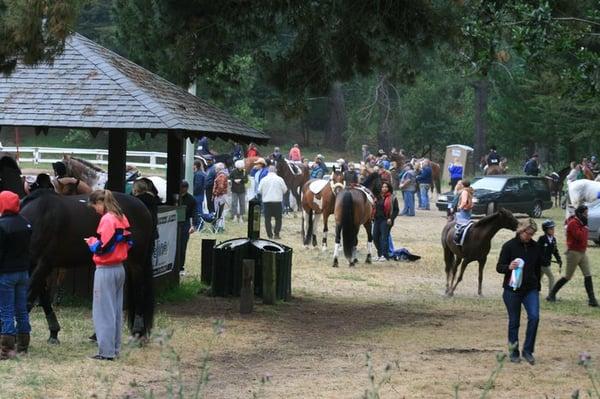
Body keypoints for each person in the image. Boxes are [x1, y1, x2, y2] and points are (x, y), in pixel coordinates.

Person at [85, 189, 132, 361]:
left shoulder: (106, 220)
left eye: (94, 206)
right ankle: (114, 348)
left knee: (104, 311)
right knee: (116, 310)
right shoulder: (121, 217)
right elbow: (128, 242)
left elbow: (103, 248)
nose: (95, 210)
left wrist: (91, 242)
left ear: (100, 203)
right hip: (119, 268)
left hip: (106, 269)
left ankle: (106, 352)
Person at [496, 218, 542, 365]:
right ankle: (514, 352)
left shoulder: (535, 247)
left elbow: (537, 268)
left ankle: (528, 351)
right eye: (528, 233)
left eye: (532, 234)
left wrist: (537, 286)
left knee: (534, 317)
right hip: (512, 290)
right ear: (521, 231)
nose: (530, 237)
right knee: (514, 322)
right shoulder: (509, 246)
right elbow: (499, 267)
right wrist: (508, 267)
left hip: (530, 289)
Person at [0, 191, 32, 359]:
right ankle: (23, 346)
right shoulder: (26, 223)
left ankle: (6, 350)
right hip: (23, 273)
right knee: (21, 310)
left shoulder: (2, 225)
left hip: (6, 275)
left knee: (5, 310)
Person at [547, 205, 598, 307]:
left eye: (587, 214)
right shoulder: (573, 223)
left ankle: (592, 300)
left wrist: (584, 226)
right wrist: (585, 227)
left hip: (582, 253)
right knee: (568, 276)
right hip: (573, 253)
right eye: (585, 214)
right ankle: (551, 294)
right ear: (579, 213)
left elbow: (584, 239)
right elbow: (579, 237)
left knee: (588, 275)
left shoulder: (581, 223)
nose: (587, 216)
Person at [258, 165, 288, 239]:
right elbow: (285, 190)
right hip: (277, 202)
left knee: (267, 219)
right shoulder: (280, 179)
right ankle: (276, 234)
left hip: (266, 202)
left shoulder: (263, 179)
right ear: (276, 171)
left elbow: (259, 190)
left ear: (268, 171)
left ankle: (270, 235)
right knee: (278, 219)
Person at [372, 182, 399, 262]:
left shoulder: (392, 198)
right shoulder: (378, 197)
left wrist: (391, 218)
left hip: (386, 220)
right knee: (375, 237)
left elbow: (396, 210)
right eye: (383, 187)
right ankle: (379, 254)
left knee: (384, 238)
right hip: (377, 220)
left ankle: (385, 255)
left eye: (386, 187)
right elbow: (374, 208)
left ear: (389, 188)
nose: (384, 188)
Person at [537, 219, 562, 297]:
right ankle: (551, 295)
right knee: (551, 277)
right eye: (551, 229)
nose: (553, 230)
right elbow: (537, 250)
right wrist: (542, 258)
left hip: (547, 262)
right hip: (541, 263)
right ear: (545, 230)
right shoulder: (542, 239)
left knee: (538, 278)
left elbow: (555, 251)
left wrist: (559, 259)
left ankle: (534, 291)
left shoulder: (553, 240)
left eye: (553, 228)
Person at [178, 181, 197, 275]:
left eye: (183, 188)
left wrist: (193, 225)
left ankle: (181, 267)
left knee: (182, 245)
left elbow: (194, 213)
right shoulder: (175, 196)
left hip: (185, 223)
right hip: (174, 222)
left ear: (186, 188)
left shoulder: (191, 199)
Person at [212, 163, 228, 231]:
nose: (215, 169)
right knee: (220, 212)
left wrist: (215, 194)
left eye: (216, 168)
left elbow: (220, 187)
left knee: (218, 212)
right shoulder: (223, 175)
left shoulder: (221, 176)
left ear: (219, 169)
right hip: (222, 195)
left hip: (220, 196)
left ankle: (219, 227)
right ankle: (221, 226)